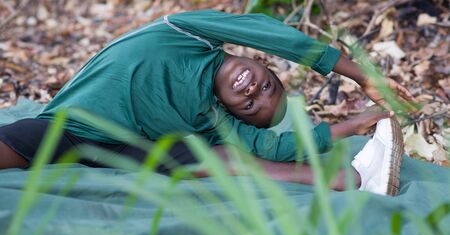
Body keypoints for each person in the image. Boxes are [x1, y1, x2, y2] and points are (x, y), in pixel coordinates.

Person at [0, 10, 415, 195]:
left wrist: (353, 124)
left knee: (218, 155)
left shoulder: (207, 118)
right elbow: (273, 34)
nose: (253, 92)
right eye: (268, 85)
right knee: (20, 140)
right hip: (72, 126)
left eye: (251, 106)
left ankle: (342, 180)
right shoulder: (188, 32)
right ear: (261, 63)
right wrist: (359, 74)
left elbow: (267, 147)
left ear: (230, 111)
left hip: (125, 150)